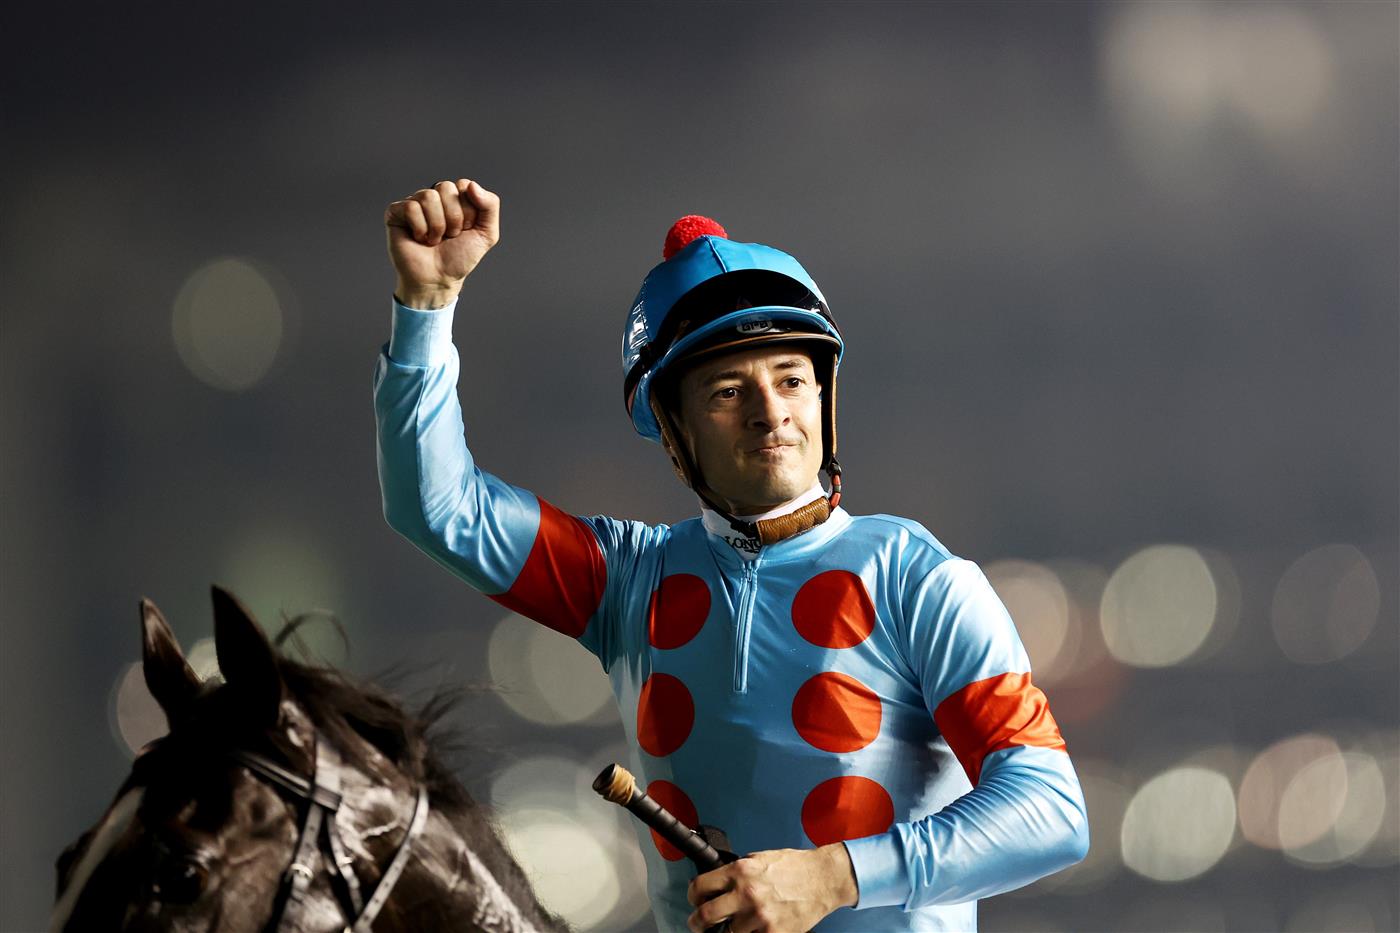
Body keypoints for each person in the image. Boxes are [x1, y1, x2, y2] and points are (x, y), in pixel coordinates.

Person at [373, 178, 1089, 933]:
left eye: (791, 379)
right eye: (725, 391)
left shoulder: (919, 578)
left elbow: (1049, 809)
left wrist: (832, 876)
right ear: (672, 425)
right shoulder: (628, 578)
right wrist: (426, 304)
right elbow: (436, 506)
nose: (770, 411)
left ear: (824, 397)